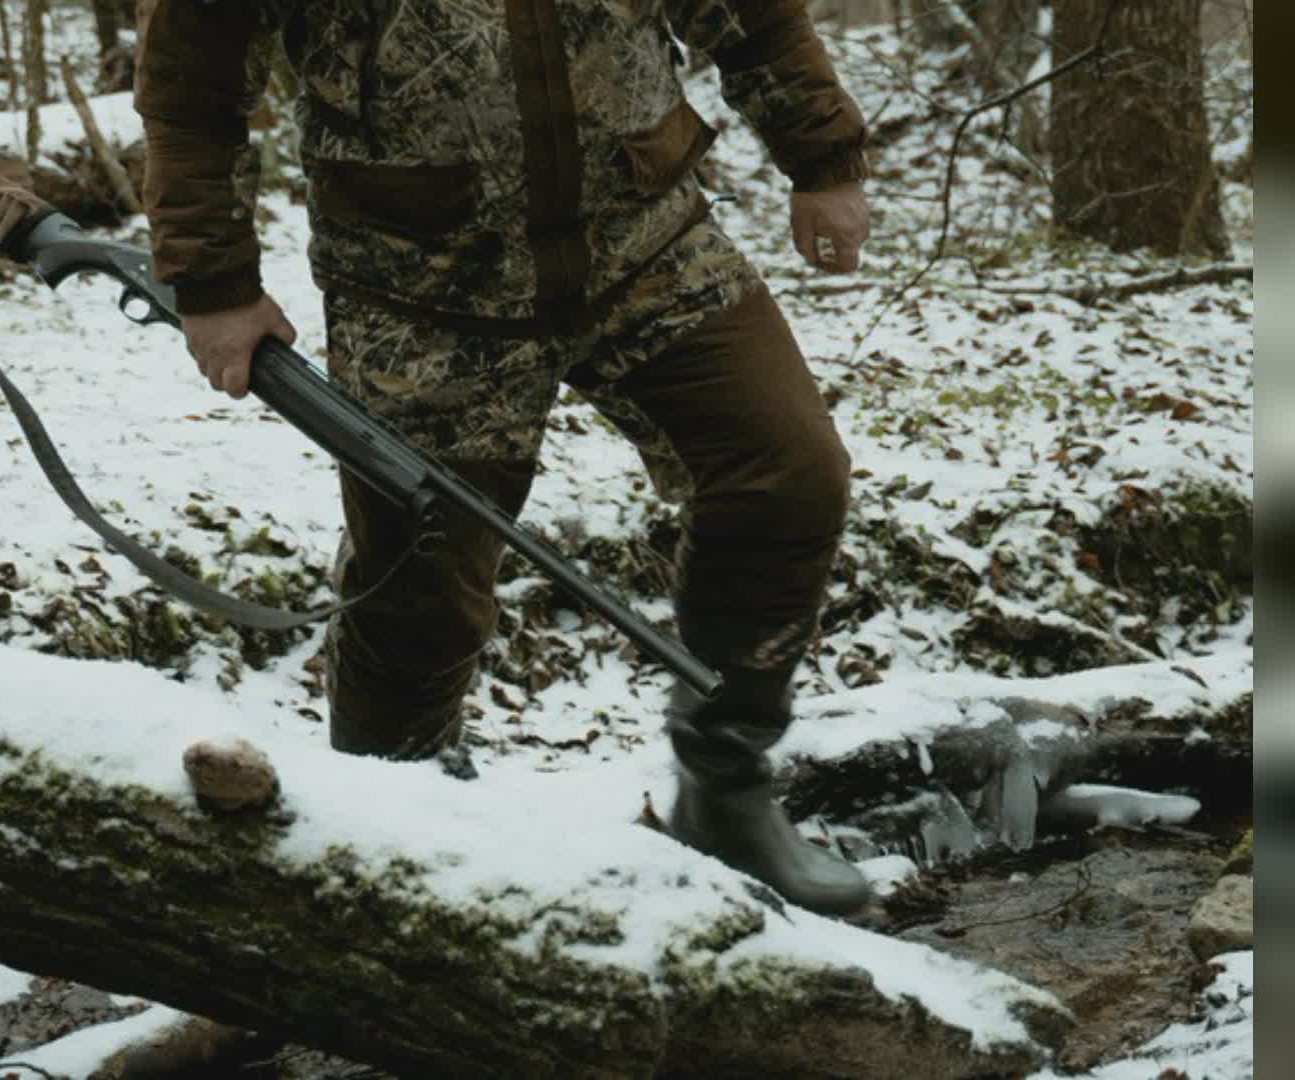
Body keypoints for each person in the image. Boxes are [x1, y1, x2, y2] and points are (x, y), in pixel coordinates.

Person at [134, 0, 872, 914]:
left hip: (645, 238)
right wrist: (210, 279)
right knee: (420, 594)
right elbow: (191, 78)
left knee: (789, 469)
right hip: (418, 275)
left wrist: (822, 156)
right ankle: (393, 859)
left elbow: (752, 14)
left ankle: (725, 789)